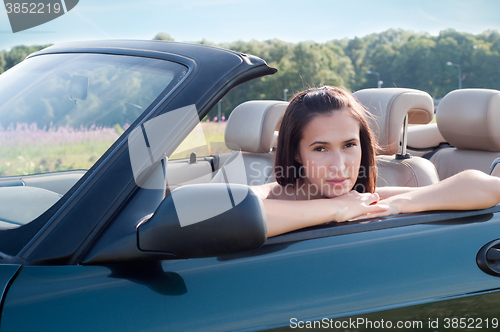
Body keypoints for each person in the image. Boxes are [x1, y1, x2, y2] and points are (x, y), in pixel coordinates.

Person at [253, 86, 500, 237]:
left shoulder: (366, 199)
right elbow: (227, 213)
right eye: (320, 149)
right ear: (296, 153)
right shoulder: (271, 197)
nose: (339, 165)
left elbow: (488, 187)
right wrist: (337, 209)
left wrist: (400, 203)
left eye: (349, 145)